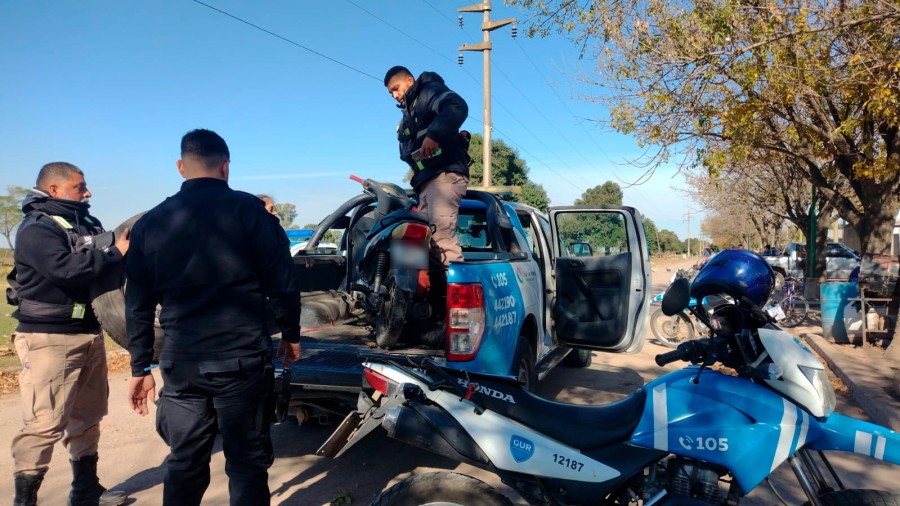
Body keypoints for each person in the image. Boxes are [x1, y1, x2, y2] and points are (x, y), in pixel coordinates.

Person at [125, 129, 301, 506]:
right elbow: (283, 282)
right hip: (240, 361)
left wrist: (140, 367)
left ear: (180, 167)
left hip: (181, 364)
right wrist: (291, 334)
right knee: (247, 464)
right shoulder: (250, 211)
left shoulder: (150, 223)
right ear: (226, 167)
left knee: (185, 462)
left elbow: (137, 305)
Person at [9, 162, 129, 506]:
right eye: (80, 187)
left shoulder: (87, 223)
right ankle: (24, 501)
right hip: (49, 339)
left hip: (89, 334)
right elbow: (65, 269)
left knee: (88, 417)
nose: (88, 192)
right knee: (44, 424)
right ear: (55, 189)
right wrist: (114, 253)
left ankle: (85, 491)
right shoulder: (37, 229)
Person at [384, 65, 470, 267]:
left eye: (396, 88)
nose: (395, 95)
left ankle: (455, 285)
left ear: (410, 80)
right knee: (420, 241)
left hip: (444, 175)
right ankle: (421, 286)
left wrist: (434, 136)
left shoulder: (429, 92)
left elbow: (457, 106)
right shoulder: (409, 113)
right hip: (427, 181)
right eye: (390, 93)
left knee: (441, 239)